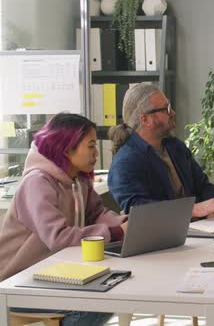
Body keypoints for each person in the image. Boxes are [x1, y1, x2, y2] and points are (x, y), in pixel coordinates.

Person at [0, 113, 126, 325]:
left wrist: (125, 223)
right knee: (94, 305)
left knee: (114, 293)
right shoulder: (37, 182)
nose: (97, 153)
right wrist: (117, 232)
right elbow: (58, 238)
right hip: (16, 281)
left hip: (56, 274)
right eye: (91, 146)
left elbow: (96, 213)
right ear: (67, 148)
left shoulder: (78, 179)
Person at [108, 83, 214, 217]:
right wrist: (192, 210)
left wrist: (213, 212)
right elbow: (139, 209)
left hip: (199, 228)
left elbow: (203, 186)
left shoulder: (175, 146)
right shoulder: (125, 162)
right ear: (145, 120)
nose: (173, 112)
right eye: (166, 109)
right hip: (162, 236)